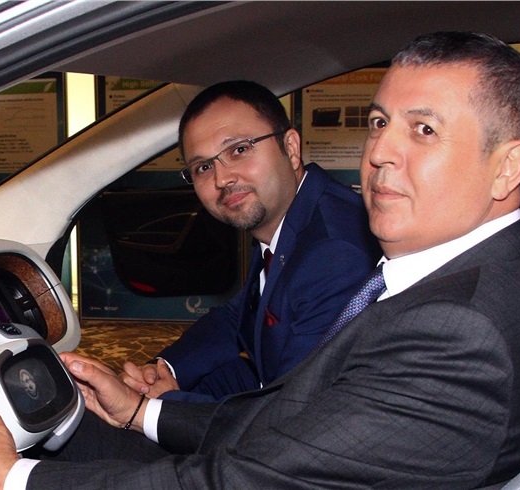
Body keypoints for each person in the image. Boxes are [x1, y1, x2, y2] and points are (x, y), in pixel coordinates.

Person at [0, 31, 520, 489]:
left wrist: (7, 480)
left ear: (507, 166)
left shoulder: (459, 332)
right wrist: (146, 412)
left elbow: (250, 475)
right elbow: (298, 418)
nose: (381, 152)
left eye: (423, 130)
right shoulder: (473, 278)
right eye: (378, 122)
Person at [119, 80, 379, 402]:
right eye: (203, 167)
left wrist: (156, 409)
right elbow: (238, 317)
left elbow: (294, 407)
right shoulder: (291, 219)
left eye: (239, 150)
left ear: (291, 148)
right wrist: (162, 370)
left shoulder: (333, 253)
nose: (222, 179)